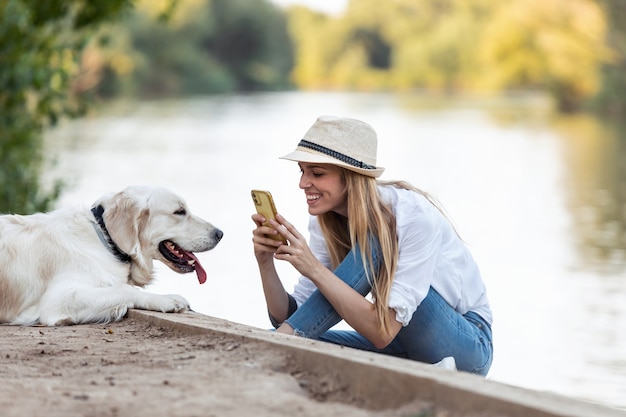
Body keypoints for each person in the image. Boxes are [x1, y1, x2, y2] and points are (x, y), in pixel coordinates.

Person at [251, 115, 493, 375]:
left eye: (317, 173)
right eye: (302, 171)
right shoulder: (325, 220)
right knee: (289, 338)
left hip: (466, 343)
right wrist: (265, 263)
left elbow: (383, 331)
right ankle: (281, 341)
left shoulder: (412, 216)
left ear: (352, 177)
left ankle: (282, 341)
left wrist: (314, 269)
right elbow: (295, 317)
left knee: (375, 238)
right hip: (401, 343)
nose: (303, 183)